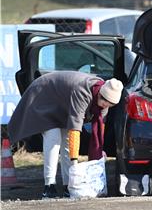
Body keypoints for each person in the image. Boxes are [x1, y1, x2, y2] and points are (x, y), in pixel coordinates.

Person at [8, 71, 123, 199]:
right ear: (100, 94)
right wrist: (75, 163)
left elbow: (100, 127)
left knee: (66, 142)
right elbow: (75, 130)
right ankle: (49, 185)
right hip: (44, 95)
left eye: (110, 105)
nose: (106, 106)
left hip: (63, 104)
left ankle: (68, 185)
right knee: (54, 139)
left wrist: (100, 150)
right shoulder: (82, 92)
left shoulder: (106, 97)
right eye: (105, 102)